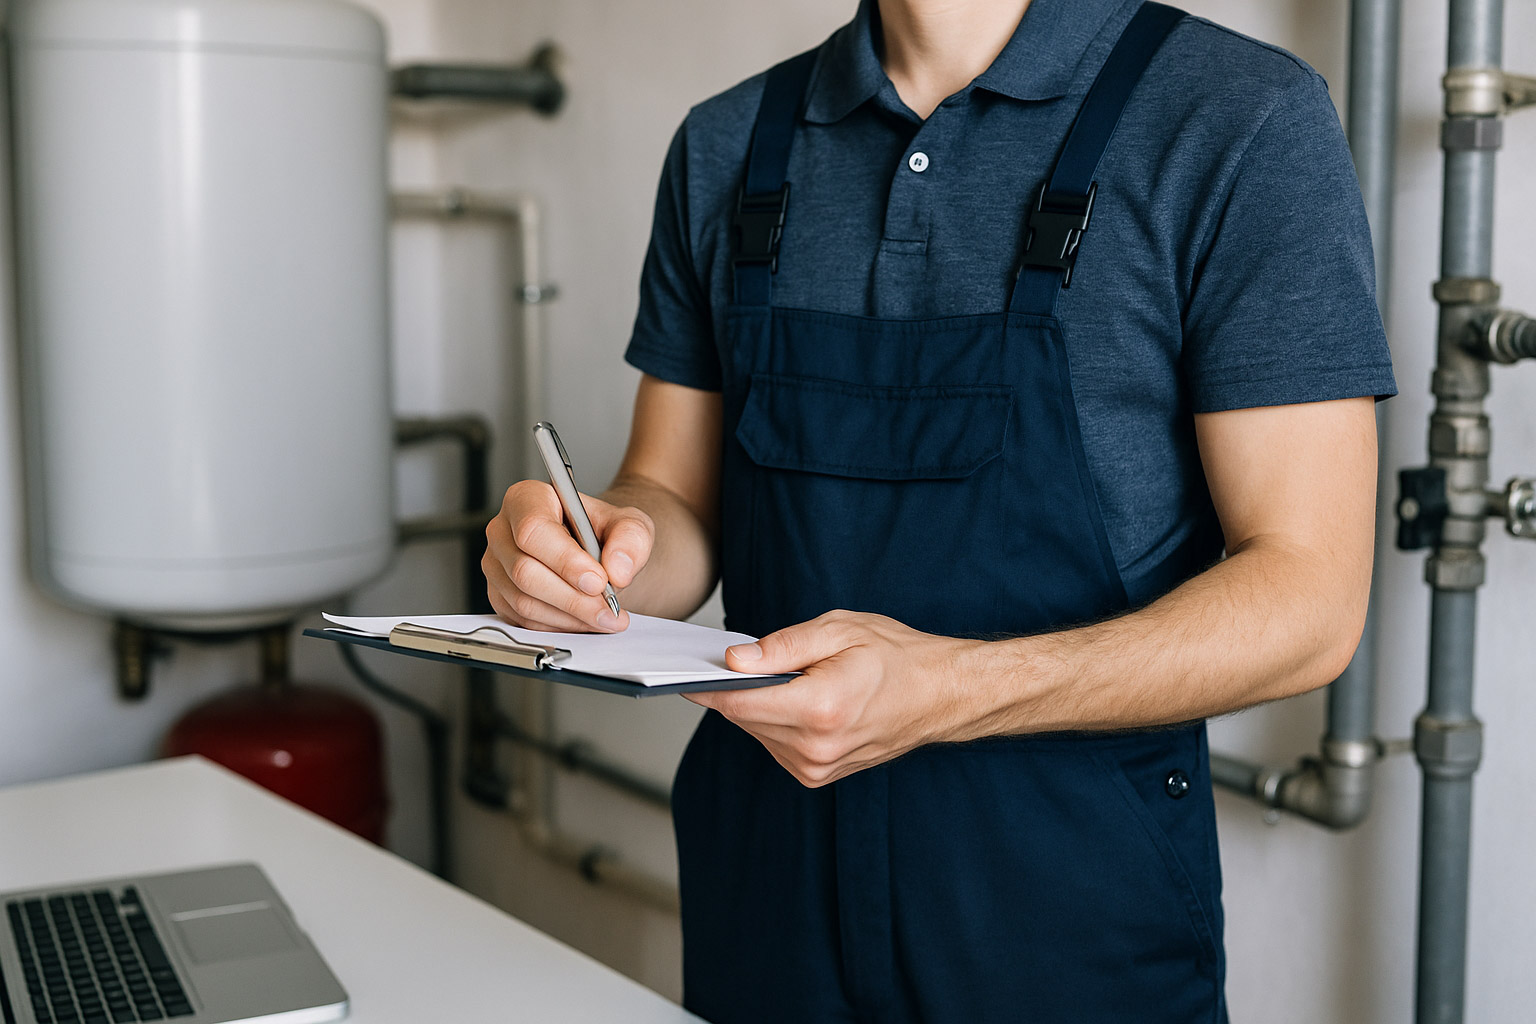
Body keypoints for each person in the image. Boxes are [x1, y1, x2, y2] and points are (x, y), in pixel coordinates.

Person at [484, 0, 1396, 1020]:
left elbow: (1309, 600)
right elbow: (675, 499)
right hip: (768, 905)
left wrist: (950, 687)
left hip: (1067, 922)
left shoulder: (1238, 120)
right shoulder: (730, 140)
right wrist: (592, 556)